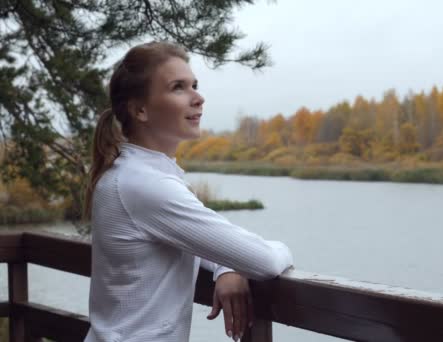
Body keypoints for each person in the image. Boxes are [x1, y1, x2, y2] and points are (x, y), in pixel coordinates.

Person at [82, 41, 294, 342]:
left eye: (194, 84)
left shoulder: (132, 174)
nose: (198, 98)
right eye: (178, 87)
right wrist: (282, 248)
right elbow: (267, 262)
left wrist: (225, 266)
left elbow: (198, 237)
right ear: (140, 109)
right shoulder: (146, 185)